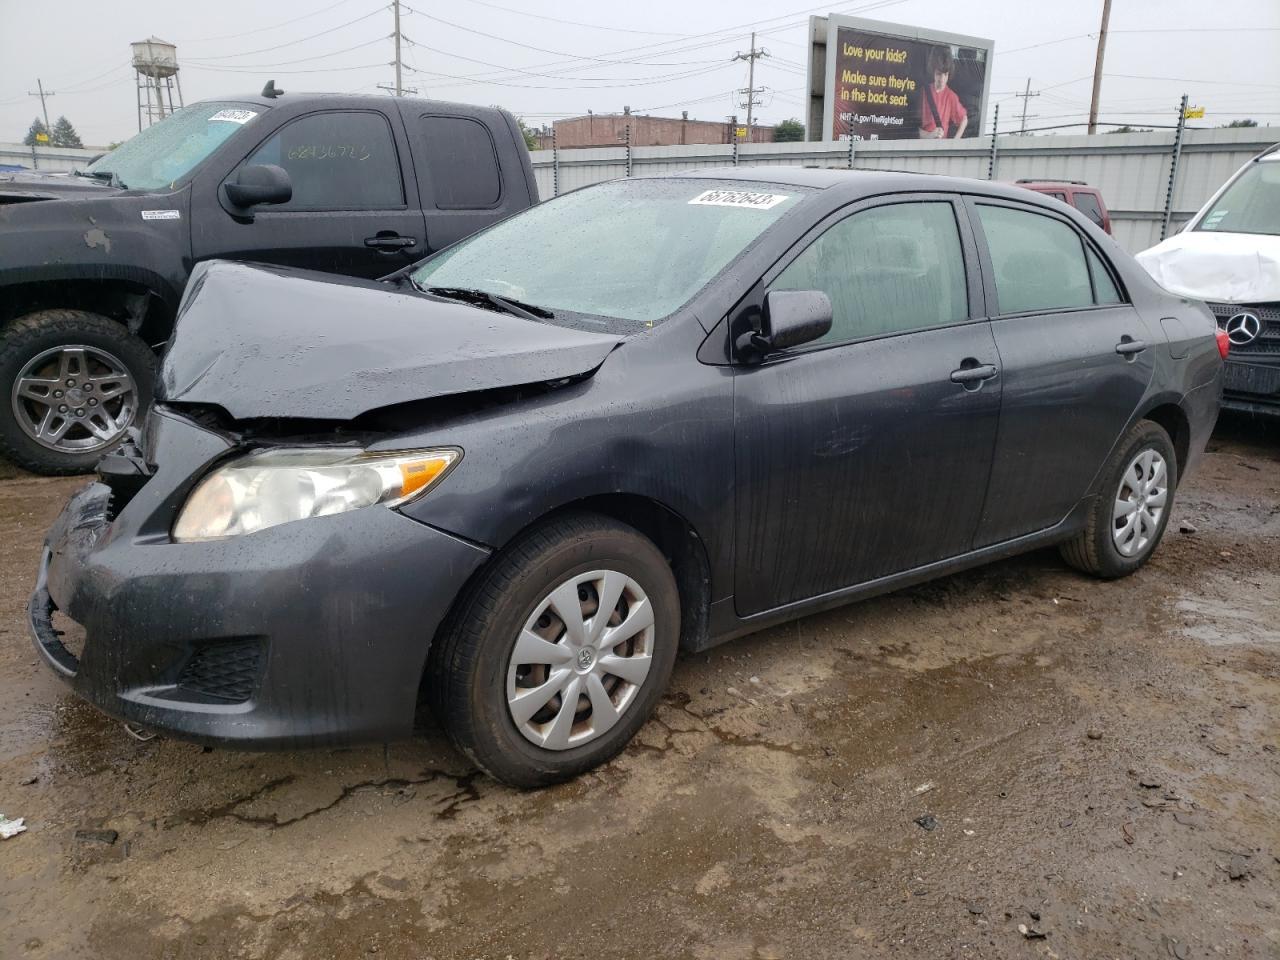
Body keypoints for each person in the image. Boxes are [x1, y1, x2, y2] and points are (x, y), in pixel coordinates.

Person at [918, 45, 968, 140]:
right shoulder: (923, 92)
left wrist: (955, 141)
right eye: (938, 74)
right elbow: (912, 130)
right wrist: (930, 135)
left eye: (945, 74)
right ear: (933, 72)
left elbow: (964, 119)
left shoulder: (951, 96)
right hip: (921, 146)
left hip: (940, 149)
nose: (942, 79)